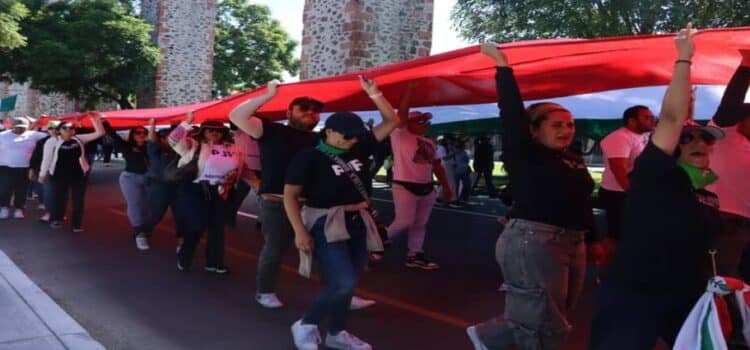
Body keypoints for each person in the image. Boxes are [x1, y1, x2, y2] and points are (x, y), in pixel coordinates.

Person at [588, 25, 725, 350]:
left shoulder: (706, 194)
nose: (699, 142)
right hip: (635, 296)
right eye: (687, 139)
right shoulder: (654, 175)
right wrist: (683, 61)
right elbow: (674, 117)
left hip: (687, 295)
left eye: (705, 138)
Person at [467, 42, 597, 350]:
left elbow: (581, 200)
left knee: (556, 312)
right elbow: (510, 111)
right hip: (535, 242)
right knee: (544, 321)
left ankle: (490, 336)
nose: (566, 130)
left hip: (573, 241)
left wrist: (592, 238)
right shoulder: (524, 153)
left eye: (570, 124)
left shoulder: (573, 158)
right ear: (534, 131)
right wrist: (502, 66)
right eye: (557, 125)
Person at [229, 81, 375, 311]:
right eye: (303, 108)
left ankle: (340, 293)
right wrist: (268, 95)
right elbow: (237, 115)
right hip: (276, 201)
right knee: (275, 248)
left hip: (314, 205)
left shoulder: (322, 139)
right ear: (289, 113)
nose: (310, 112)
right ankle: (264, 290)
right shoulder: (271, 130)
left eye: (315, 110)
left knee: (325, 251)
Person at [285, 76, 397, 350]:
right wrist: (299, 230)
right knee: (343, 281)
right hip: (326, 221)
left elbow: (392, 121)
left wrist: (375, 94)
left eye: (356, 135)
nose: (351, 140)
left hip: (358, 221)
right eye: (346, 135)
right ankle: (307, 324)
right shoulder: (309, 157)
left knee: (350, 281)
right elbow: (290, 195)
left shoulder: (359, 147)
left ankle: (337, 332)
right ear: (329, 131)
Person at [169, 113, 249, 274]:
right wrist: (187, 122)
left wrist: (257, 185)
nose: (214, 133)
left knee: (217, 228)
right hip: (196, 189)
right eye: (210, 130)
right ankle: (184, 257)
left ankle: (214, 263)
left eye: (218, 131)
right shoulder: (194, 145)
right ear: (203, 132)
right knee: (197, 225)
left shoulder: (234, 149)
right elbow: (173, 140)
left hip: (221, 190)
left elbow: (242, 169)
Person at [386, 81, 454, 270]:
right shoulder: (400, 135)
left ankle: (414, 254)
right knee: (403, 222)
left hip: (427, 187)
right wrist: (409, 90)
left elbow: (437, 165)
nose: (426, 124)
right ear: (409, 123)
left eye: (427, 121)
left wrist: (446, 187)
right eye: (421, 121)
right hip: (404, 185)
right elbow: (402, 114)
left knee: (420, 223)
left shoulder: (429, 142)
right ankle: (375, 244)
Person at [707, 49, 750, 280]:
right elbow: (728, 109)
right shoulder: (725, 137)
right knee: (720, 284)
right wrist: (746, 66)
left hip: (744, 226)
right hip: (726, 225)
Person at [597, 105, 655, 253]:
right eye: (646, 117)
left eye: (651, 117)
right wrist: (633, 195)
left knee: (634, 235)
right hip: (617, 194)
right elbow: (619, 169)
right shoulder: (620, 138)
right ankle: (606, 272)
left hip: (634, 193)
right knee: (615, 237)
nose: (652, 120)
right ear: (632, 121)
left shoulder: (644, 136)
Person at [39, 113, 105, 231]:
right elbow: (47, 158)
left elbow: (100, 133)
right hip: (59, 175)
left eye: (71, 128)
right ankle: (57, 220)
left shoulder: (79, 139)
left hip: (78, 175)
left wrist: (95, 119)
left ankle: (76, 224)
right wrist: (42, 174)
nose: (68, 130)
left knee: (78, 200)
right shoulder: (52, 141)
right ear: (59, 130)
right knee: (59, 198)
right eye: (65, 128)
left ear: (74, 131)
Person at [106, 123, 151, 250]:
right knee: (134, 204)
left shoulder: (151, 146)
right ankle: (139, 233)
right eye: (138, 132)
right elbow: (113, 135)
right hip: (130, 178)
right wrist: (102, 121)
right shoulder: (126, 146)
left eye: (144, 132)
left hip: (149, 178)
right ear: (132, 135)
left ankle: (145, 228)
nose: (142, 135)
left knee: (147, 205)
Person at [141, 120, 183, 252]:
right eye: (169, 137)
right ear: (162, 139)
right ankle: (143, 234)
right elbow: (151, 140)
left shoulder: (181, 151)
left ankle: (182, 242)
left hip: (178, 186)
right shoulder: (155, 150)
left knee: (181, 215)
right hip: (159, 186)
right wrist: (152, 124)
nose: (174, 140)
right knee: (156, 213)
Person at [0, 117, 47, 219]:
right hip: (5, 167)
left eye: (22, 127)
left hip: (24, 167)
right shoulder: (2, 136)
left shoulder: (33, 135)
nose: (20, 129)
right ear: (12, 126)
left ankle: (19, 209)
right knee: (5, 188)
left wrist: (40, 121)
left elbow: (50, 135)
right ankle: (4, 207)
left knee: (21, 189)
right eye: (17, 127)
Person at [225, 122, 261, 226]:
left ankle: (262, 220)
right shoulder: (239, 131)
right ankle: (229, 218)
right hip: (244, 169)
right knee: (239, 195)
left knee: (263, 197)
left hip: (262, 169)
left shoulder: (263, 133)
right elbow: (233, 121)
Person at [29, 120, 61, 222]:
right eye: (51, 128)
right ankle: (49, 212)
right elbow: (36, 157)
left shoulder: (66, 140)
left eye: (56, 128)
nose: (54, 131)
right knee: (47, 191)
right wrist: (33, 169)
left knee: (60, 193)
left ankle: (58, 212)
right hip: (45, 170)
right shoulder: (43, 141)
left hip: (62, 171)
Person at [436, 134, 457, 204]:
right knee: (451, 182)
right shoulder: (442, 147)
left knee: (446, 182)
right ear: (447, 140)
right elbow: (444, 158)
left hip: (448, 166)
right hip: (445, 166)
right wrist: (453, 155)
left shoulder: (449, 147)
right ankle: (452, 199)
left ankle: (439, 196)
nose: (452, 141)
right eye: (450, 140)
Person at [453, 139, 472, 206]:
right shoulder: (457, 152)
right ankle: (459, 198)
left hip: (462, 170)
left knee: (465, 185)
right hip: (460, 170)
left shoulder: (461, 152)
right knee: (464, 185)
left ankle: (461, 198)